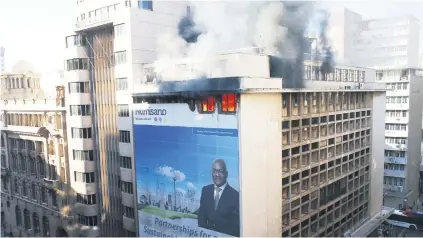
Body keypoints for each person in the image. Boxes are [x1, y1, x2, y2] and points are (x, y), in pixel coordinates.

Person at [198, 159, 239, 237]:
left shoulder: (235, 196)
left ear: (226, 174)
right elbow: (201, 219)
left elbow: (236, 227)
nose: (217, 174)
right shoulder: (206, 190)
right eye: (214, 171)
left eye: (220, 171)